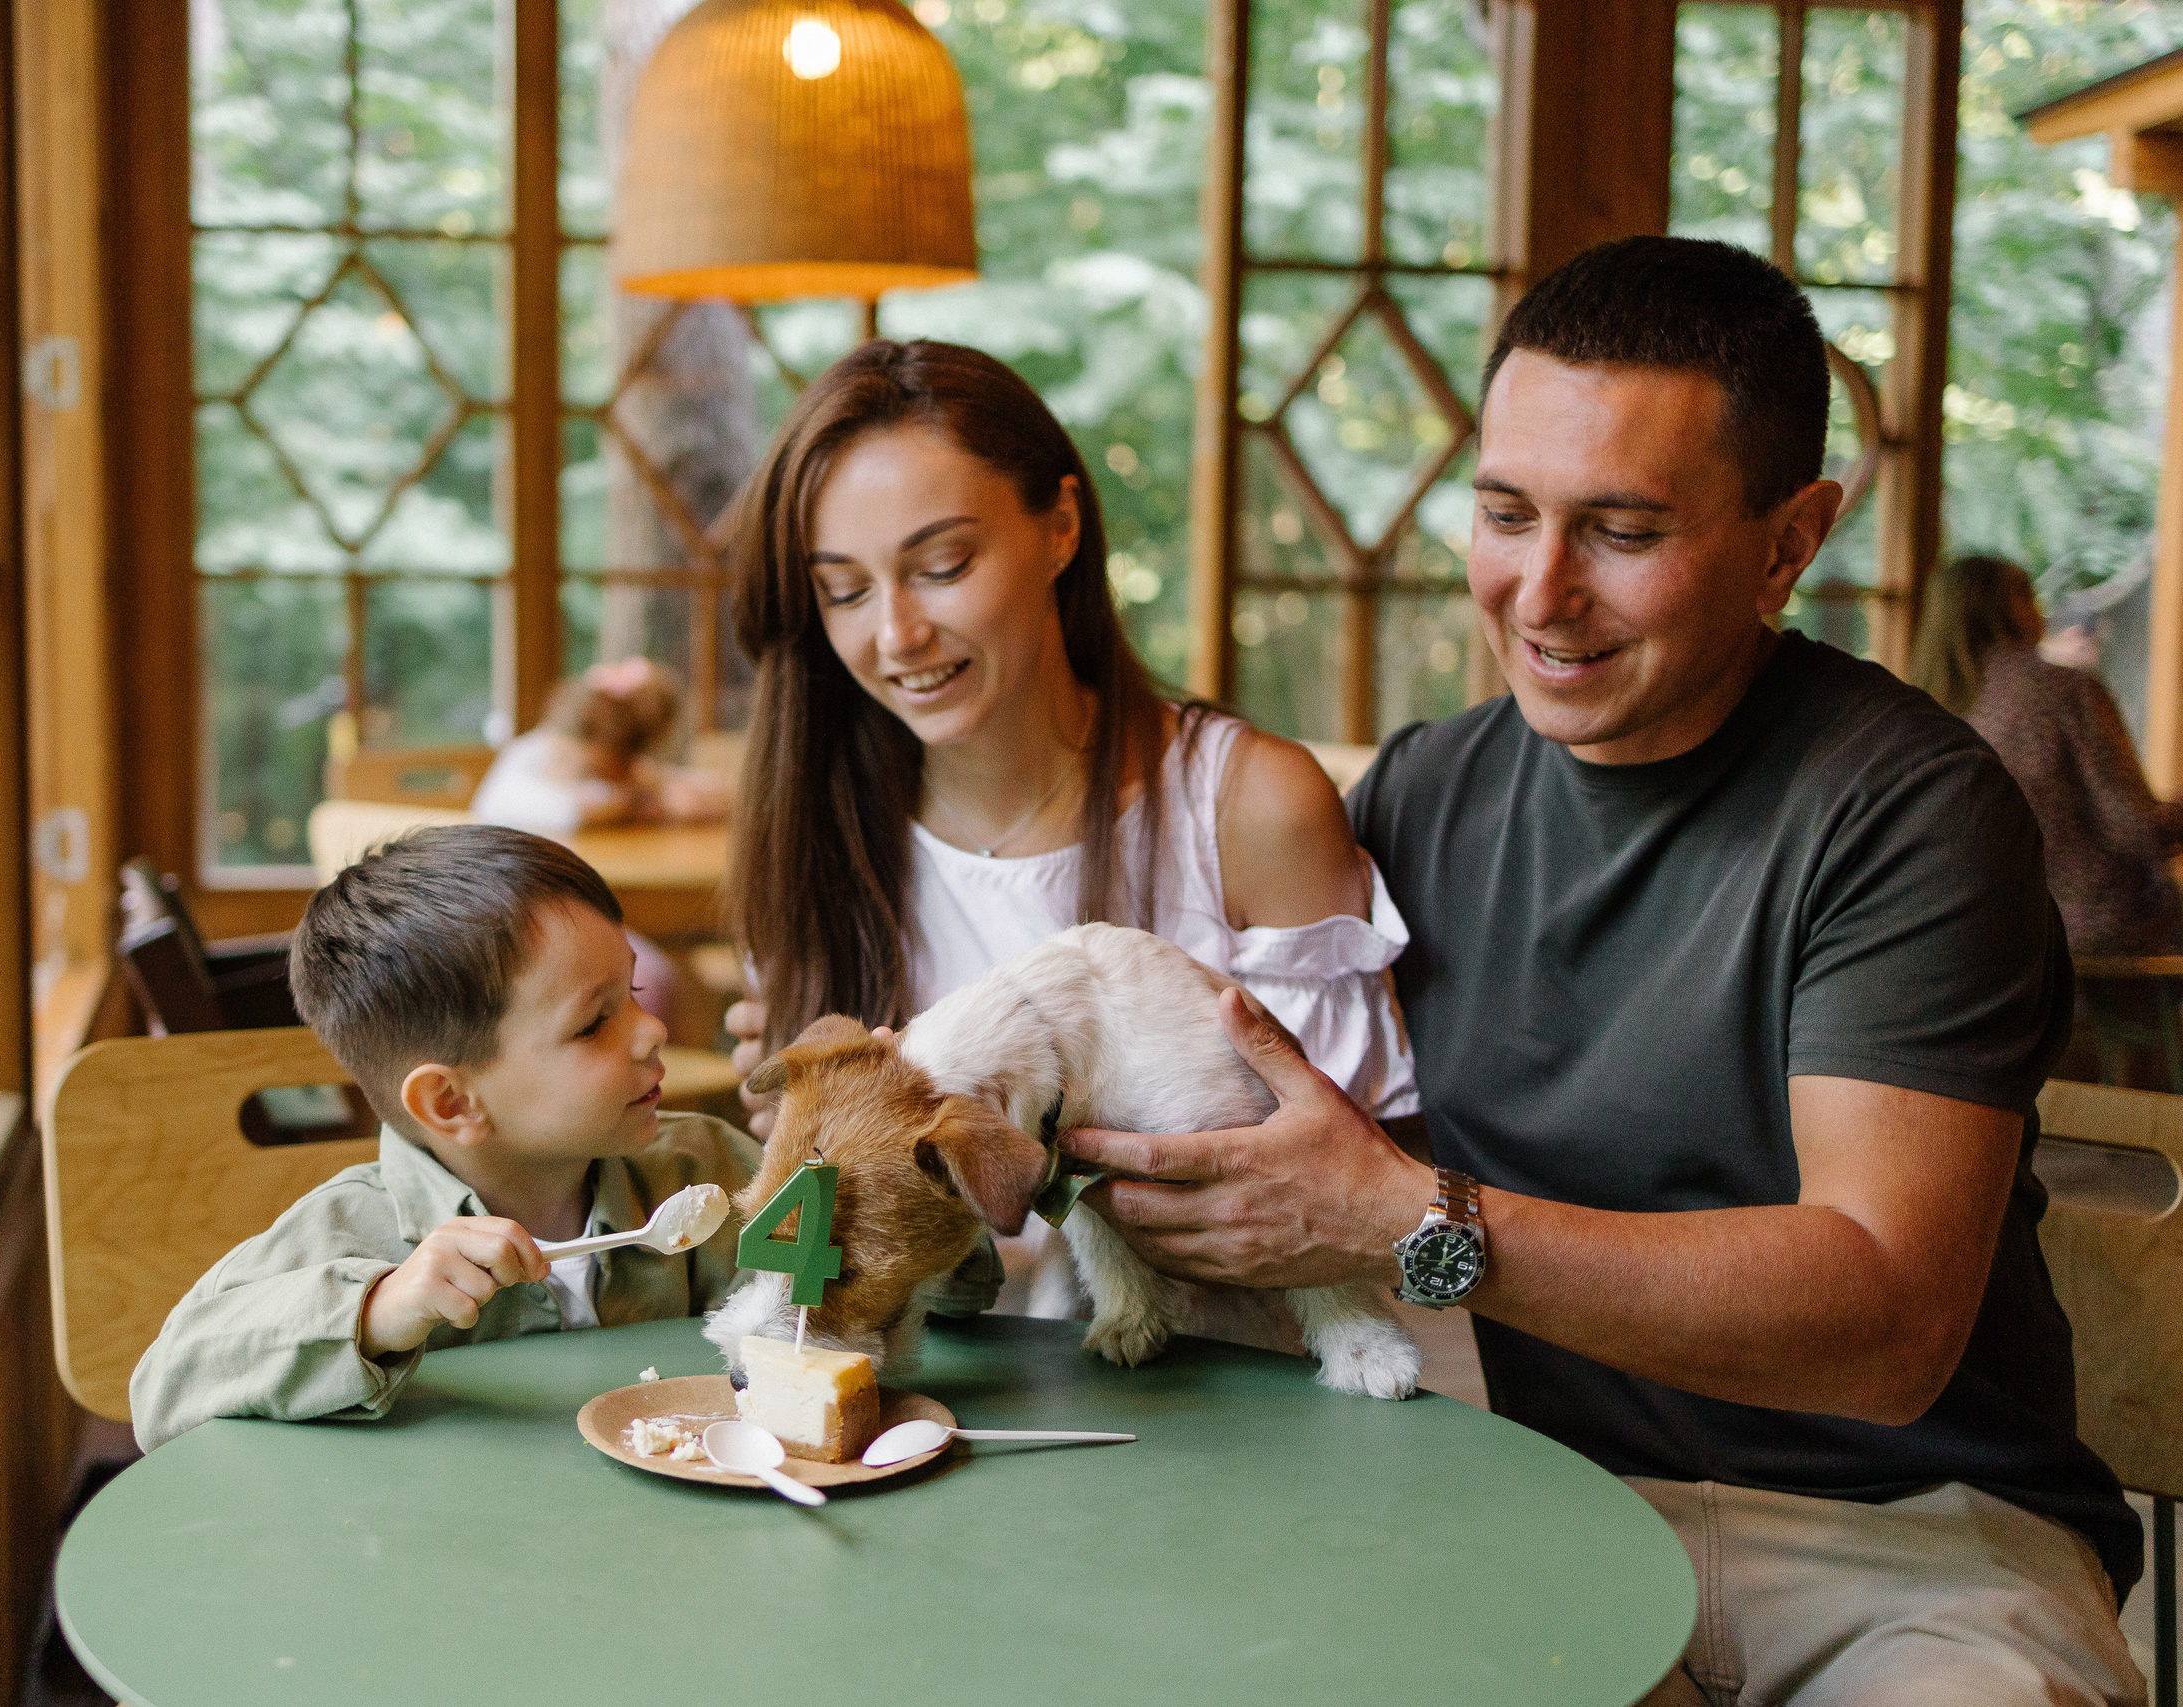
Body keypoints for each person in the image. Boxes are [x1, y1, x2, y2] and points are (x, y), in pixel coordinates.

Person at [1061, 238, 2144, 1706]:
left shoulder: (1909, 808)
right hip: (1540, 1506)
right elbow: (1236, 1111)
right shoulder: (1420, 796)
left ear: (1789, 538)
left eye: (1623, 530)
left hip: (1916, 1545)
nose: (1541, 591)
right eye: (1506, 511)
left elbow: (1886, 1325)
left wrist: (1408, 1218)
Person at [717, 338, 1414, 1316]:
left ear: (1060, 527)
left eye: (943, 564)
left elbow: (1358, 1203)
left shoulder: (1243, 808)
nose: (896, 634)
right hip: (937, 1413)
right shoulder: (821, 836)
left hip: (1237, 1398)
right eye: (845, 590)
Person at [128, 825, 757, 1452]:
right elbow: (161, 1395)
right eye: (595, 1023)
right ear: (451, 1102)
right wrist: (375, 1312)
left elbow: (822, 1310)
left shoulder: (702, 1171)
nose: (650, 1031)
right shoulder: (349, 1232)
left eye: (635, 993)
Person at [1913, 552, 2183, 955]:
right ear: (2010, 607)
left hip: (1971, 941)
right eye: (2030, 595)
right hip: (2098, 941)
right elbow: (2137, 830)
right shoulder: (2063, 691)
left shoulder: (1923, 710)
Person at [469, 656, 734, 837]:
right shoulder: (530, 753)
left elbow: (717, 792)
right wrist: (625, 802)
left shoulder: (632, 774)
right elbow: (494, 804)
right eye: (588, 766)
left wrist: (663, 793)